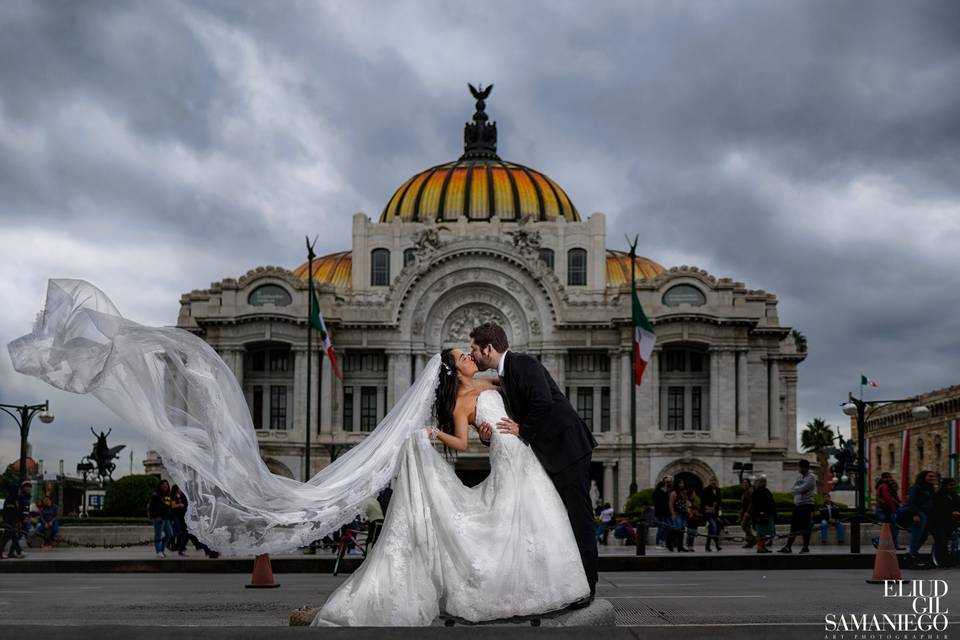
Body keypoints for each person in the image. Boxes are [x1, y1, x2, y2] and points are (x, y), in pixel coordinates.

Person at [313, 347, 591, 626]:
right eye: (463, 358)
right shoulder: (459, 403)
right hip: (507, 456)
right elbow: (461, 442)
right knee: (512, 519)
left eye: (469, 354)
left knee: (536, 516)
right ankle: (513, 589)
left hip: (524, 450)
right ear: (456, 372)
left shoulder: (491, 382)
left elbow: (519, 399)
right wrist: (436, 433)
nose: (470, 358)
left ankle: (543, 582)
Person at [471, 323, 598, 604]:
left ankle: (588, 585)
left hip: (568, 448)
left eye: (474, 349)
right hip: (550, 453)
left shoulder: (523, 363)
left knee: (579, 517)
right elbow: (514, 417)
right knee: (560, 518)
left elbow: (543, 402)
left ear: (488, 349)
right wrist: (487, 437)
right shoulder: (506, 375)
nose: (473, 355)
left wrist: (523, 430)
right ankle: (568, 581)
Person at [779, 459, 815, 554]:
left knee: (805, 527)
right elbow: (794, 489)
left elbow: (802, 488)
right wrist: (798, 489)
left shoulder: (811, 477)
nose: (798, 469)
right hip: (798, 505)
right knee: (794, 527)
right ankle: (788, 547)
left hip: (807, 505)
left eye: (799, 467)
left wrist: (798, 489)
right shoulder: (799, 478)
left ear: (805, 468)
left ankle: (805, 547)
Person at [905, 469, 937, 561]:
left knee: (924, 536)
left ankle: (913, 552)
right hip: (920, 514)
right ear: (924, 477)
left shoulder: (930, 488)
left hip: (927, 514)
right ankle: (911, 554)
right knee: (917, 535)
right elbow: (911, 502)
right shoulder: (917, 487)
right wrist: (915, 515)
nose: (932, 478)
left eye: (933, 476)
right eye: (930, 476)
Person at [930, 477, 959, 566]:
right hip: (939, 522)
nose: (952, 487)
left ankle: (949, 560)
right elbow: (938, 509)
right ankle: (941, 560)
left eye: (953, 485)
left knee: (948, 540)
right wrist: (951, 512)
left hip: (950, 522)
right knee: (941, 541)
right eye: (950, 485)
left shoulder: (954, 495)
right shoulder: (938, 495)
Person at [874, 472, 903, 549]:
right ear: (883, 478)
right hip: (884, 510)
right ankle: (878, 540)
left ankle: (882, 541)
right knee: (892, 527)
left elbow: (893, 498)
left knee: (891, 528)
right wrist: (894, 510)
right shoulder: (884, 486)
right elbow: (888, 499)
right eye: (887, 477)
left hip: (885, 510)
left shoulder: (885, 486)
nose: (889, 479)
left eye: (890, 477)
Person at [148, 479, 175, 559]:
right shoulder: (155, 495)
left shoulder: (168, 495)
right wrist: (156, 516)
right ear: (160, 486)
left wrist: (171, 518)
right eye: (163, 484)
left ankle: (162, 550)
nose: (165, 486)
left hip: (167, 518)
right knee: (158, 535)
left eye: (166, 484)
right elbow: (153, 507)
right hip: (158, 518)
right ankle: (158, 551)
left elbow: (169, 508)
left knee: (170, 534)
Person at [750, 476, 776, 553]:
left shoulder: (766, 491)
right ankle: (759, 547)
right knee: (761, 532)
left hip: (767, 514)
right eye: (762, 481)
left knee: (765, 533)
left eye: (765, 482)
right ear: (758, 483)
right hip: (760, 515)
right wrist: (760, 513)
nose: (764, 483)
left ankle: (763, 547)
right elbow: (755, 504)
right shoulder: (756, 492)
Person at [1, 485, 26, 559]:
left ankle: (10, 553)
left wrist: (19, 521)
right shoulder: (9, 500)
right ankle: (18, 552)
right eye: (18, 490)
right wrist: (13, 522)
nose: (19, 491)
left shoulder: (16, 499)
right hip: (9, 523)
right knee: (14, 537)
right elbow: (8, 513)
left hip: (13, 523)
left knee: (6, 539)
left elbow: (17, 512)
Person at [668, 477, 690, 552]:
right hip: (677, 514)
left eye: (682, 483)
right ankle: (669, 542)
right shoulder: (673, 493)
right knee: (676, 529)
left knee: (682, 530)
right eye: (680, 483)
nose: (682, 485)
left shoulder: (683, 492)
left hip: (683, 513)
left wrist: (688, 511)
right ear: (677, 484)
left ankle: (680, 547)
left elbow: (686, 502)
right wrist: (673, 513)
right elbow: (670, 503)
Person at [700, 478, 722, 551]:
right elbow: (703, 501)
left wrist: (717, 505)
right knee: (713, 527)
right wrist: (709, 506)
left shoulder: (718, 490)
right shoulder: (706, 490)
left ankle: (708, 547)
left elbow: (719, 500)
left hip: (715, 513)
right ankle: (717, 545)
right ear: (710, 482)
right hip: (707, 512)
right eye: (712, 481)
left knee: (711, 530)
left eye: (715, 481)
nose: (713, 483)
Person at [653, 477, 673, 550]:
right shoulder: (658, 492)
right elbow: (659, 504)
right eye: (666, 483)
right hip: (661, 513)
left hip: (666, 513)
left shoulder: (665, 492)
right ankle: (658, 543)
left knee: (668, 527)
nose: (667, 485)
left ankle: (662, 541)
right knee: (661, 527)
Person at [170, 485, 189, 556]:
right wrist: (180, 505)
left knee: (179, 531)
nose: (180, 489)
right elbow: (173, 506)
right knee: (179, 531)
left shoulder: (181, 495)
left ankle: (177, 546)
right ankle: (176, 546)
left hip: (181, 516)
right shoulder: (173, 496)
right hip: (175, 516)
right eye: (179, 488)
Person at [739, 478, 756, 549]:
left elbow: (751, 503)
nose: (744, 483)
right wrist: (740, 512)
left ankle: (753, 538)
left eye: (746, 482)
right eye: (743, 482)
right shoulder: (745, 491)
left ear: (749, 483)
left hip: (749, 512)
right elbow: (744, 504)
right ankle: (749, 543)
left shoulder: (750, 491)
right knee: (747, 526)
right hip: (745, 512)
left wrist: (747, 512)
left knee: (744, 525)